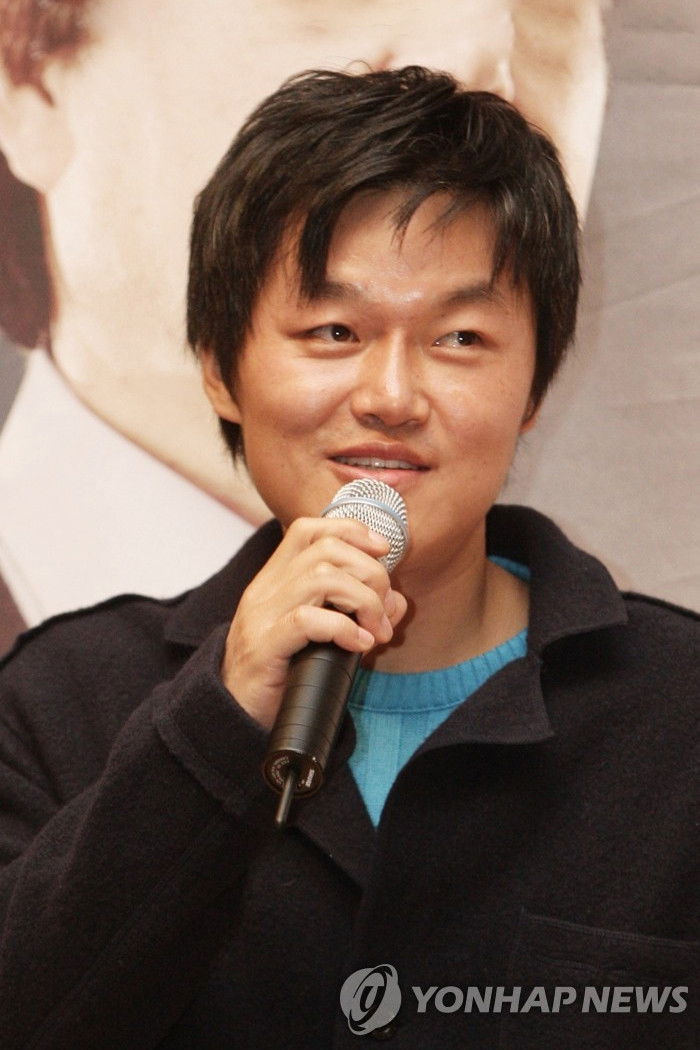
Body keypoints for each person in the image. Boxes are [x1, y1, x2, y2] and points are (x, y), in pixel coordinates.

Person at [0, 67, 696, 1049]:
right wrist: (216, 723)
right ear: (220, 367)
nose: (390, 396)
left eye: (459, 337)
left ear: (534, 388)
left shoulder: (676, 710)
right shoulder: (58, 703)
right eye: (333, 331)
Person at [0, 0, 608, 636]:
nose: (468, 65)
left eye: (545, 4)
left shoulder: (654, 679)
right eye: (336, 332)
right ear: (28, 85)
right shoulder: (51, 684)